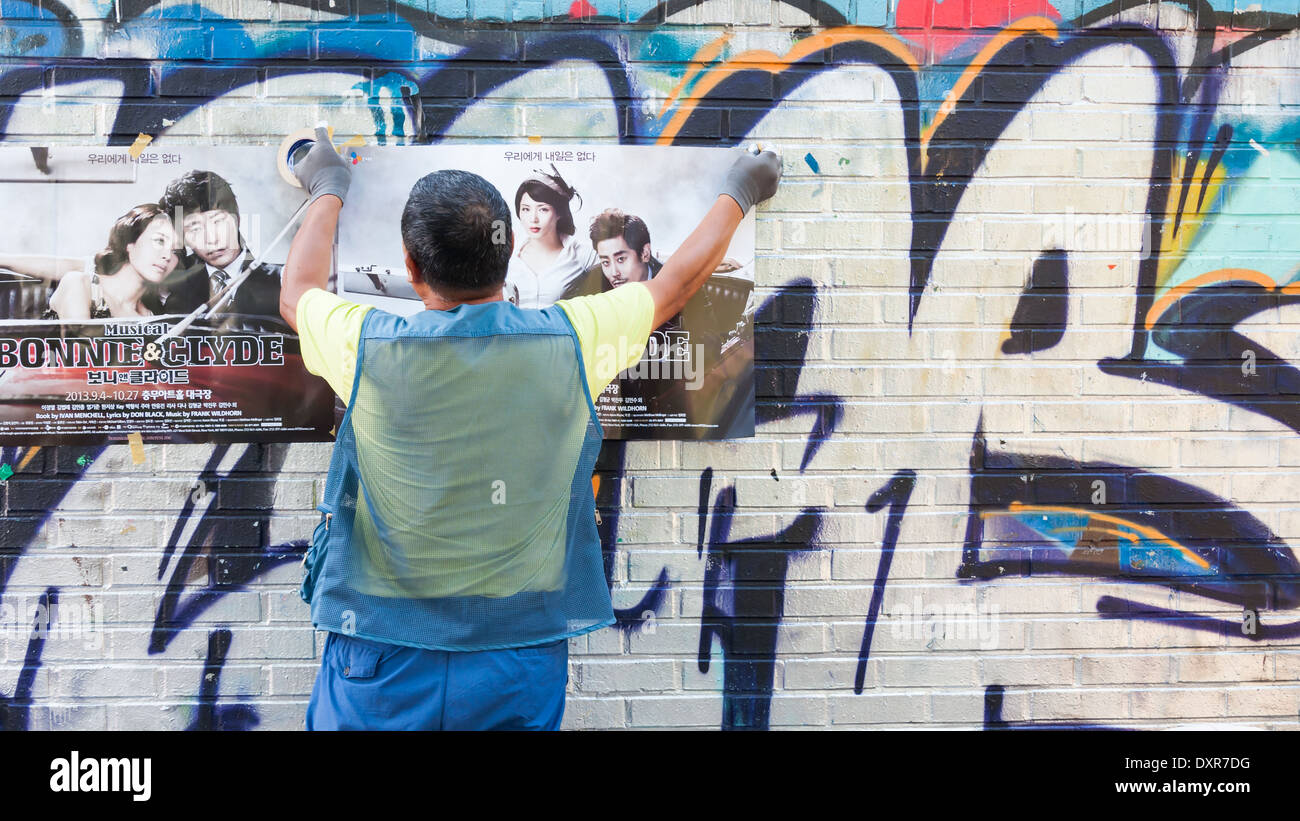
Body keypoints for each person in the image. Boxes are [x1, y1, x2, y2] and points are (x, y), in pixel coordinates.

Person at [279, 128, 781, 730]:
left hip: (381, 651)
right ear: (509, 246)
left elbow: (298, 293)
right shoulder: (573, 335)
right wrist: (742, 188)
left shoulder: (366, 341)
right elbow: (672, 287)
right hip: (515, 659)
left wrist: (327, 184)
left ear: (411, 268)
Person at [153, 170, 282, 318]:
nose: (212, 239)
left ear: (237, 218)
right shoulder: (172, 290)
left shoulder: (281, 280)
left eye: (218, 221)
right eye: (195, 228)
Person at [41, 203, 179, 320]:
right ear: (130, 242)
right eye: (159, 241)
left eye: (175, 251)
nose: (167, 255)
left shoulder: (152, 315)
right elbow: (82, 350)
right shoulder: (80, 284)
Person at [504, 165, 597, 308]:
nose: (533, 218)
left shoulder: (581, 253)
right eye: (526, 209)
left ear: (559, 213)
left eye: (543, 209)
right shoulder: (507, 253)